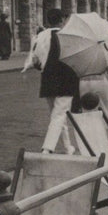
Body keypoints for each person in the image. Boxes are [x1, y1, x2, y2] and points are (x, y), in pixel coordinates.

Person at [29, 9, 81, 154]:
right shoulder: (67, 37)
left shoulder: (40, 36)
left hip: (47, 79)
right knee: (59, 116)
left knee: (56, 115)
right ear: (62, 20)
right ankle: (47, 148)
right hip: (65, 81)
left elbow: (35, 60)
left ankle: (67, 146)